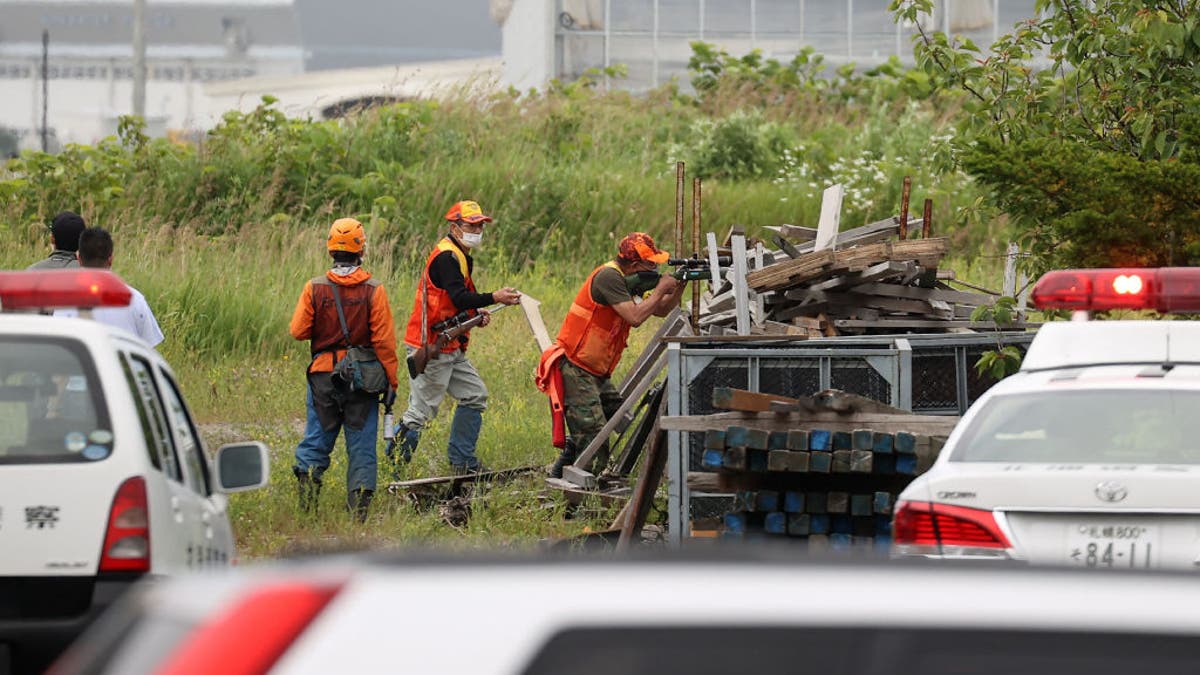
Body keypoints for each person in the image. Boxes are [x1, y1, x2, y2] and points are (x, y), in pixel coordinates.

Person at [537, 232, 685, 478]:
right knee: (595, 437)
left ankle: (557, 482)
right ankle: (584, 498)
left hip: (595, 371)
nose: (656, 267)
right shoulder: (609, 277)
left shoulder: (629, 281)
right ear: (636, 265)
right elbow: (635, 317)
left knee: (613, 421)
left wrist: (678, 288)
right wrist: (660, 289)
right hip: (576, 367)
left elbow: (659, 311)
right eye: (651, 263)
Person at [394, 200, 521, 474]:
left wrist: (475, 313)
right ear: (455, 227)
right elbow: (458, 296)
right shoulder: (446, 257)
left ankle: (462, 463)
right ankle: (393, 470)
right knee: (420, 413)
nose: (477, 229)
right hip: (432, 345)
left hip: (449, 345)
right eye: (470, 225)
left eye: (479, 225)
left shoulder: (459, 254)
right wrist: (493, 297)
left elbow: (455, 302)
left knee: (475, 395)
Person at [289, 218, 399, 521]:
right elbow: (385, 343)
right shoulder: (375, 290)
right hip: (362, 380)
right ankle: (358, 517)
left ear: (330, 249)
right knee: (362, 442)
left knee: (317, 437)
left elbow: (298, 330)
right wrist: (392, 381)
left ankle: (307, 511)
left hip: (323, 376)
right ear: (361, 249)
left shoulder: (314, 288)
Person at [53, 227, 165, 349]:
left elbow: (57, 348)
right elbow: (150, 349)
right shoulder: (134, 299)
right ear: (110, 259)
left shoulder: (63, 303)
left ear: (79, 259)